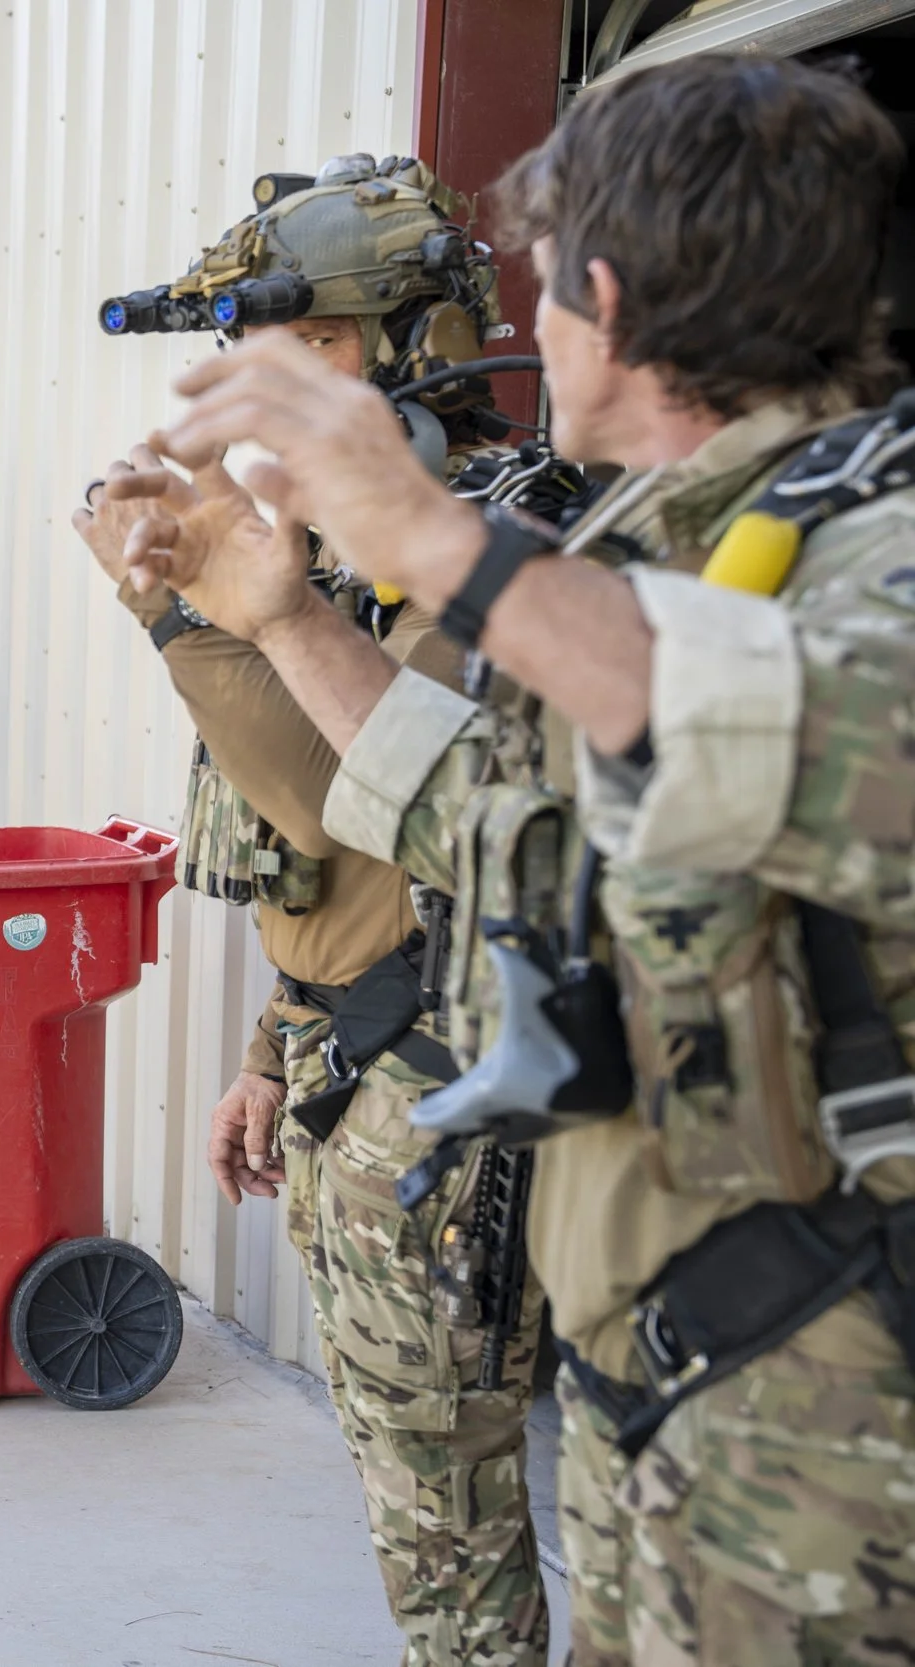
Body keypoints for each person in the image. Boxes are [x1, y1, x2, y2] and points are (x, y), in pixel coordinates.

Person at [111, 53, 915, 1665]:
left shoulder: (874, 542)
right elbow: (485, 824)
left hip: (831, 1405)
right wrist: (276, 615)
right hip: (677, 1375)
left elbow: (798, 743)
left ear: (605, 296)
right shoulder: (660, 540)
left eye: (548, 286)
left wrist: (430, 544)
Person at [76, 157, 562, 1667]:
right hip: (363, 1059)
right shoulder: (353, 540)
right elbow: (325, 878)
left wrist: (180, 608)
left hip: (443, 1097)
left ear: (385, 349)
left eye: (295, 356)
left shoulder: (487, 546)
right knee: (418, 1502)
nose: (246, 396)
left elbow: (331, 795)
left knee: (453, 1527)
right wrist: (274, 1047)